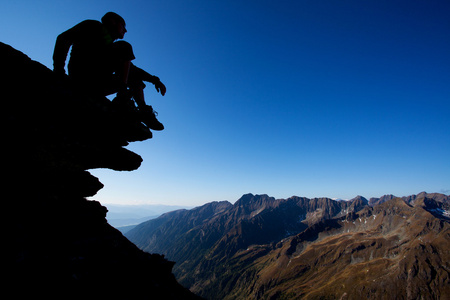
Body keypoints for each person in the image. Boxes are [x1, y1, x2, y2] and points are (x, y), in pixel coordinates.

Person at [52, 12, 166, 130]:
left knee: (134, 76)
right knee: (124, 47)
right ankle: (122, 97)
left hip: (98, 83)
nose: (125, 31)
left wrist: (154, 80)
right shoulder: (92, 26)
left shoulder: (111, 48)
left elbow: (131, 69)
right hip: (82, 76)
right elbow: (63, 38)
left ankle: (144, 112)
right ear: (112, 21)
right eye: (123, 26)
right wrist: (58, 69)